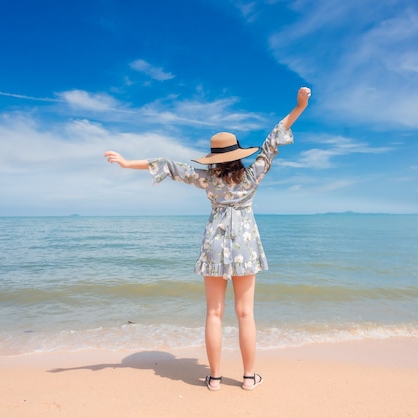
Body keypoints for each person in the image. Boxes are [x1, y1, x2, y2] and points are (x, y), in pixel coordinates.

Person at [104, 86, 311, 391]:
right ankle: (248, 377)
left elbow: (168, 165)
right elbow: (272, 140)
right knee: (245, 313)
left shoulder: (207, 179)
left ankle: (214, 378)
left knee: (214, 313)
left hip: (214, 243)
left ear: (214, 159)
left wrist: (125, 163)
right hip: (245, 245)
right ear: (239, 155)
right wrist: (299, 107)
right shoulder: (252, 176)